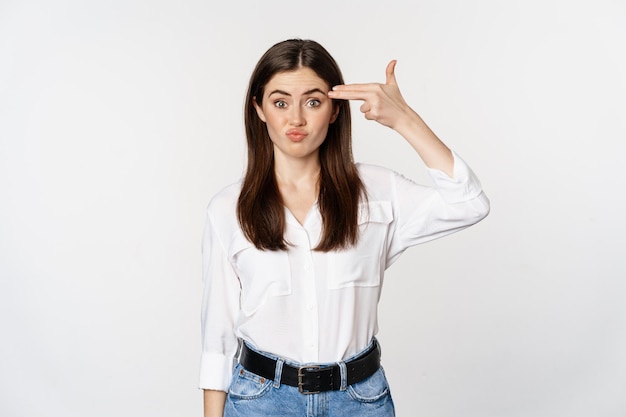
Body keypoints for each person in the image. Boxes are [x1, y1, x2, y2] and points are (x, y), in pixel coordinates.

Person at [199, 39, 490, 417]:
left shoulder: (378, 193)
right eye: (280, 102)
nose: (297, 119)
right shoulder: (228, 209)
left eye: (314, 101)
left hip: (359, 402)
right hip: (261, 402)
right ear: (259, 109)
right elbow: (216, 340)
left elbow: (469, 203)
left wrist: (404, 119)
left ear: (335, 111)